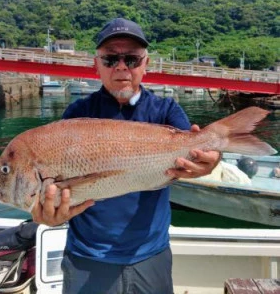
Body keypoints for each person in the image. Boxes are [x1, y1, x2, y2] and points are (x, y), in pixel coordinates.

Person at [32, 17, 221, 294]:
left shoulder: (165, 110)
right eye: (110, 59)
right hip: (87, 257)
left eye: (131, 59)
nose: (121, 66)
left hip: (151, 254)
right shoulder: (76, 115)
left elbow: (198, 155)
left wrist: (210, 162)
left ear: (145, 65)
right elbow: (57, 189)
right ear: (96, 65)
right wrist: (48, 214)